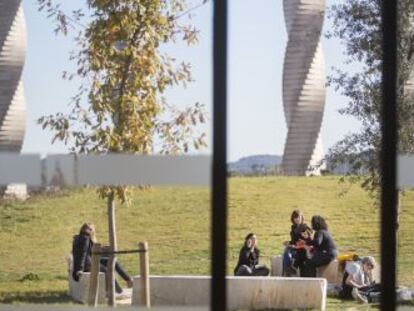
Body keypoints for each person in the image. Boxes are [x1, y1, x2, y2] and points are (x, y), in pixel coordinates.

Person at [72, 223, 133, 294]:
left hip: (91, 261)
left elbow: (90, 252)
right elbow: (83, 253)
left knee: (111, 261)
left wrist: (104, 249)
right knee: (106, 271)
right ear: (91, 230)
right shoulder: (85, 239)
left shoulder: (80, 237)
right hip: (87, 266)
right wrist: (80, 269)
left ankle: (129, 280)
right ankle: (118, 291)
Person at [282, 210, 304, 276]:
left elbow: (307, 241)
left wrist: (293, 245)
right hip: (294, 248)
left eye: (299, 217)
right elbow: (294, 241)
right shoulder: (293, 227)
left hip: (301, 249)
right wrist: (288, 242)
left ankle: (286, 272)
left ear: (302, 218)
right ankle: (287, 271)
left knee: (287, 251)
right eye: (295, 217)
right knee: (286, 251)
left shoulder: (304, 227)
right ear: (293, 219)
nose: (297, 219)